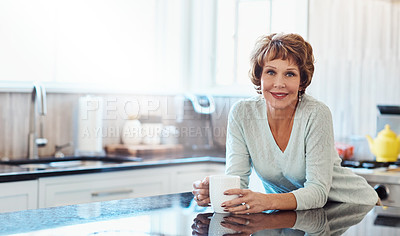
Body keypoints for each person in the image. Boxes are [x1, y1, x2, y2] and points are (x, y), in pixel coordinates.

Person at [192, 33, 379, 213]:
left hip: (352, 209)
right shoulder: (242, 114)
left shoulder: (316, 113)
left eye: (290, 74)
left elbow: (318, 192)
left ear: (302, 81)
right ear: (260, 76)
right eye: (271, 72)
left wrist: (266, 201)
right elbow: (237, 181)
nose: (279, 83)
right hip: (295, 216)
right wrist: (218, 192)